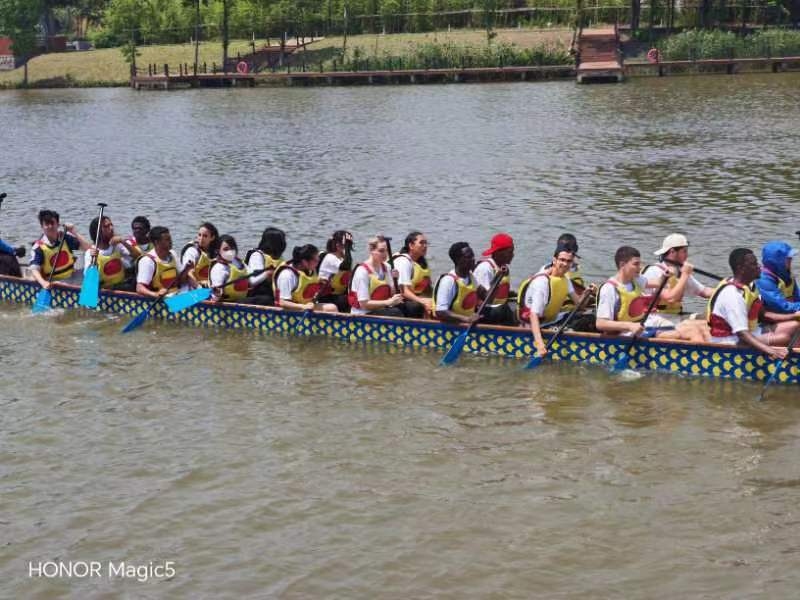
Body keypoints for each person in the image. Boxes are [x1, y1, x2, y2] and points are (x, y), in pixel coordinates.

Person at [707, 248, 799, 357]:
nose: (759, 267)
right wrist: (772, 351)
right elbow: (742, 334)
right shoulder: (733, 295)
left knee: (795, 325)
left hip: (751, 332)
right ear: (741, 269)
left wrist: (794, 316)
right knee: (785, 337)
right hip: (731, 341)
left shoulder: (750, 286)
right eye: (754, 264)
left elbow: (763, 315)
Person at [595, 246, 693, 340]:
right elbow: (601, 323)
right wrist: (630, 326)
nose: (640, 267)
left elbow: (659, 283)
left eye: (640, 263)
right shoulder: (609, 289)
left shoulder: (636, 280)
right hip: (624, 334)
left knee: (692, 329)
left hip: (642, 326)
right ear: (622, 265)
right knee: (684, 334)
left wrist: (665, 275)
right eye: (636, 264)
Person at [519, 244, 592, 357]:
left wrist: (586, 293)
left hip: (552, 320)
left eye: (569, 261)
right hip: (537, 326)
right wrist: (539, 344)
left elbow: (580, 306)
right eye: (562, 260)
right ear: (554, 260)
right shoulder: (542, 283)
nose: (565, 264)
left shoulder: (564, 279)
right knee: (578, 324)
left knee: (589, 318)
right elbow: (534, 315)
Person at [640, 233, 714, 343]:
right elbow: (670, 298)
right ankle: (698, 356)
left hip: (673, 317)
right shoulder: (654, 271)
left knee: (709, 324)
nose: (687, 255)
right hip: (656, 320)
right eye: (684, 251)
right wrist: (685, 275)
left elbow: (704, 291)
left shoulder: (680, 270)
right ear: (672, 252)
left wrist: (726, 289)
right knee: (695, 331)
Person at [29, 209, 93, 290]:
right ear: (42, 227)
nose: (50, 226)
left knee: (93, 268)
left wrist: (74, 232)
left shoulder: (65, 238)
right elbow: (34, 269)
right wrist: (43, 283)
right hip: (55, 282)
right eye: (47, 224)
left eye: (52, 223)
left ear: (58, 224)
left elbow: (88, 249)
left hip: (72, 276)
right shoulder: (38, 247)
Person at [348, 236, 404, 317]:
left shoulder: (387, 267)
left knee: (411, 307)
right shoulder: (362, 271)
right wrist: (388, 302)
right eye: (381, 251)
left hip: (381, 309)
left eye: (386, 251)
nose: (385, 254)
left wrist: (397, 280)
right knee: (395, 312)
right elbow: (364, 304)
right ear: (371, 250)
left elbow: (392, 294)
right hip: (363, 314)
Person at [273, 244, 337, 312]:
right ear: (304, 262)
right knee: (332, 308)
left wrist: (320, 280)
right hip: (289, 312)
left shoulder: (308, 270)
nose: (318, 262)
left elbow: (305, 281)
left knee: (332, 306)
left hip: (305, 306)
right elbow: (282, 302)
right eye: (316, 260)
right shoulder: (287, 275)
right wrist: (303, 306)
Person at [474, 233, 516, 325]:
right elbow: (487, 299)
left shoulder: (503, 267)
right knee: (505, 310)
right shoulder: (485, 268)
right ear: (498, 252)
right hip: (482, 311)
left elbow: (502, 293)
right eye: (510, 252)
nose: (513, 255)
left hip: (497, 309)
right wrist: (498, 276)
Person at [433, 242, 480, 324]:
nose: (473, 259)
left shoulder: (471, 277)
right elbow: (441, 312)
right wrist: (466, 319)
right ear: (458, 260)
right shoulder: (448, 281)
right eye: (469, 257)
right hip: (450, 327)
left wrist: (498, 277)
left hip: (468, 322)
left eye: (473, 256)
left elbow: (487, 296)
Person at [85, 215, 135, 290]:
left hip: (122, 285)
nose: (111, 228)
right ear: (97, 232)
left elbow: (137, 256)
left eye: (111, 225)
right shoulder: (90, 253)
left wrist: (122, 241)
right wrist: (93, 261)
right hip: (106, 290)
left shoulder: (117, 246)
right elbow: (88, 279)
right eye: (106, 226)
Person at [136, 226, 186, 298]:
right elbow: (139, 288)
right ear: (156, 242)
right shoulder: (148, 261)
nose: (171, 241)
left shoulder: (173, 254)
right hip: (161, 301)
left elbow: (182, 280)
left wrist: (187, 269)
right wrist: (156, 294)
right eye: (167, 239)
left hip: (176, 296)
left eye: (170, 239)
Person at [393, 231, 432, 318]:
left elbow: (428, 288)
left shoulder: (421, 262)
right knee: (418, 306)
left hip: (413, 297)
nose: (425, 246)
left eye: (426, 243)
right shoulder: (403, 261)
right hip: (397, 300)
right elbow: (404, 291)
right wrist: (423, 302)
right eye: (421, 243)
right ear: (411, 245)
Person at [757, 241, 800, 316]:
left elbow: (797, 298)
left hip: (788, 313)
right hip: (768, 320)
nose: (791, 261)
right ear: (778, 261)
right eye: (788, 259)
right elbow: (781, 307)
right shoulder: (763, 280)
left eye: (791, 258)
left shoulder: (787, 275)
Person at [246, 227, 286, 306]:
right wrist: (267, 274)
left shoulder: (279, 258)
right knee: (267, 300)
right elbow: (253, 281)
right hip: (257, 296)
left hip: (274, 294)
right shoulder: (257, 256)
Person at [209, 235, 255, 303]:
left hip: (242, 300)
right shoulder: (219, 268)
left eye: (232, 248)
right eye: (226, 249)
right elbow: (215, 298)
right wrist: (217, 293)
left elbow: (253, 279)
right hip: (227, 304)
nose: (230, 252)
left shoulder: (239, 262)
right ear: (218, 251)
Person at [317, 230, 353, 313]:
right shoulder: (330, 258)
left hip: (338, 294)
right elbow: (346, 266)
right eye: (347, 244)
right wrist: (347, 249)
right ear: (338, 245)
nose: (349, 246)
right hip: (326, 296)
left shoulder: (342, 258)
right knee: (347, 301)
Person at [181, 222, 219, 288]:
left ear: (212, 238)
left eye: (205, 236)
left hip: (208, 285)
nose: (201, 238)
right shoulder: (192, 251)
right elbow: (188, 273)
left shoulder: (216, 251)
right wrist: (199, 287)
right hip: (192, 286)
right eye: (199, 235)